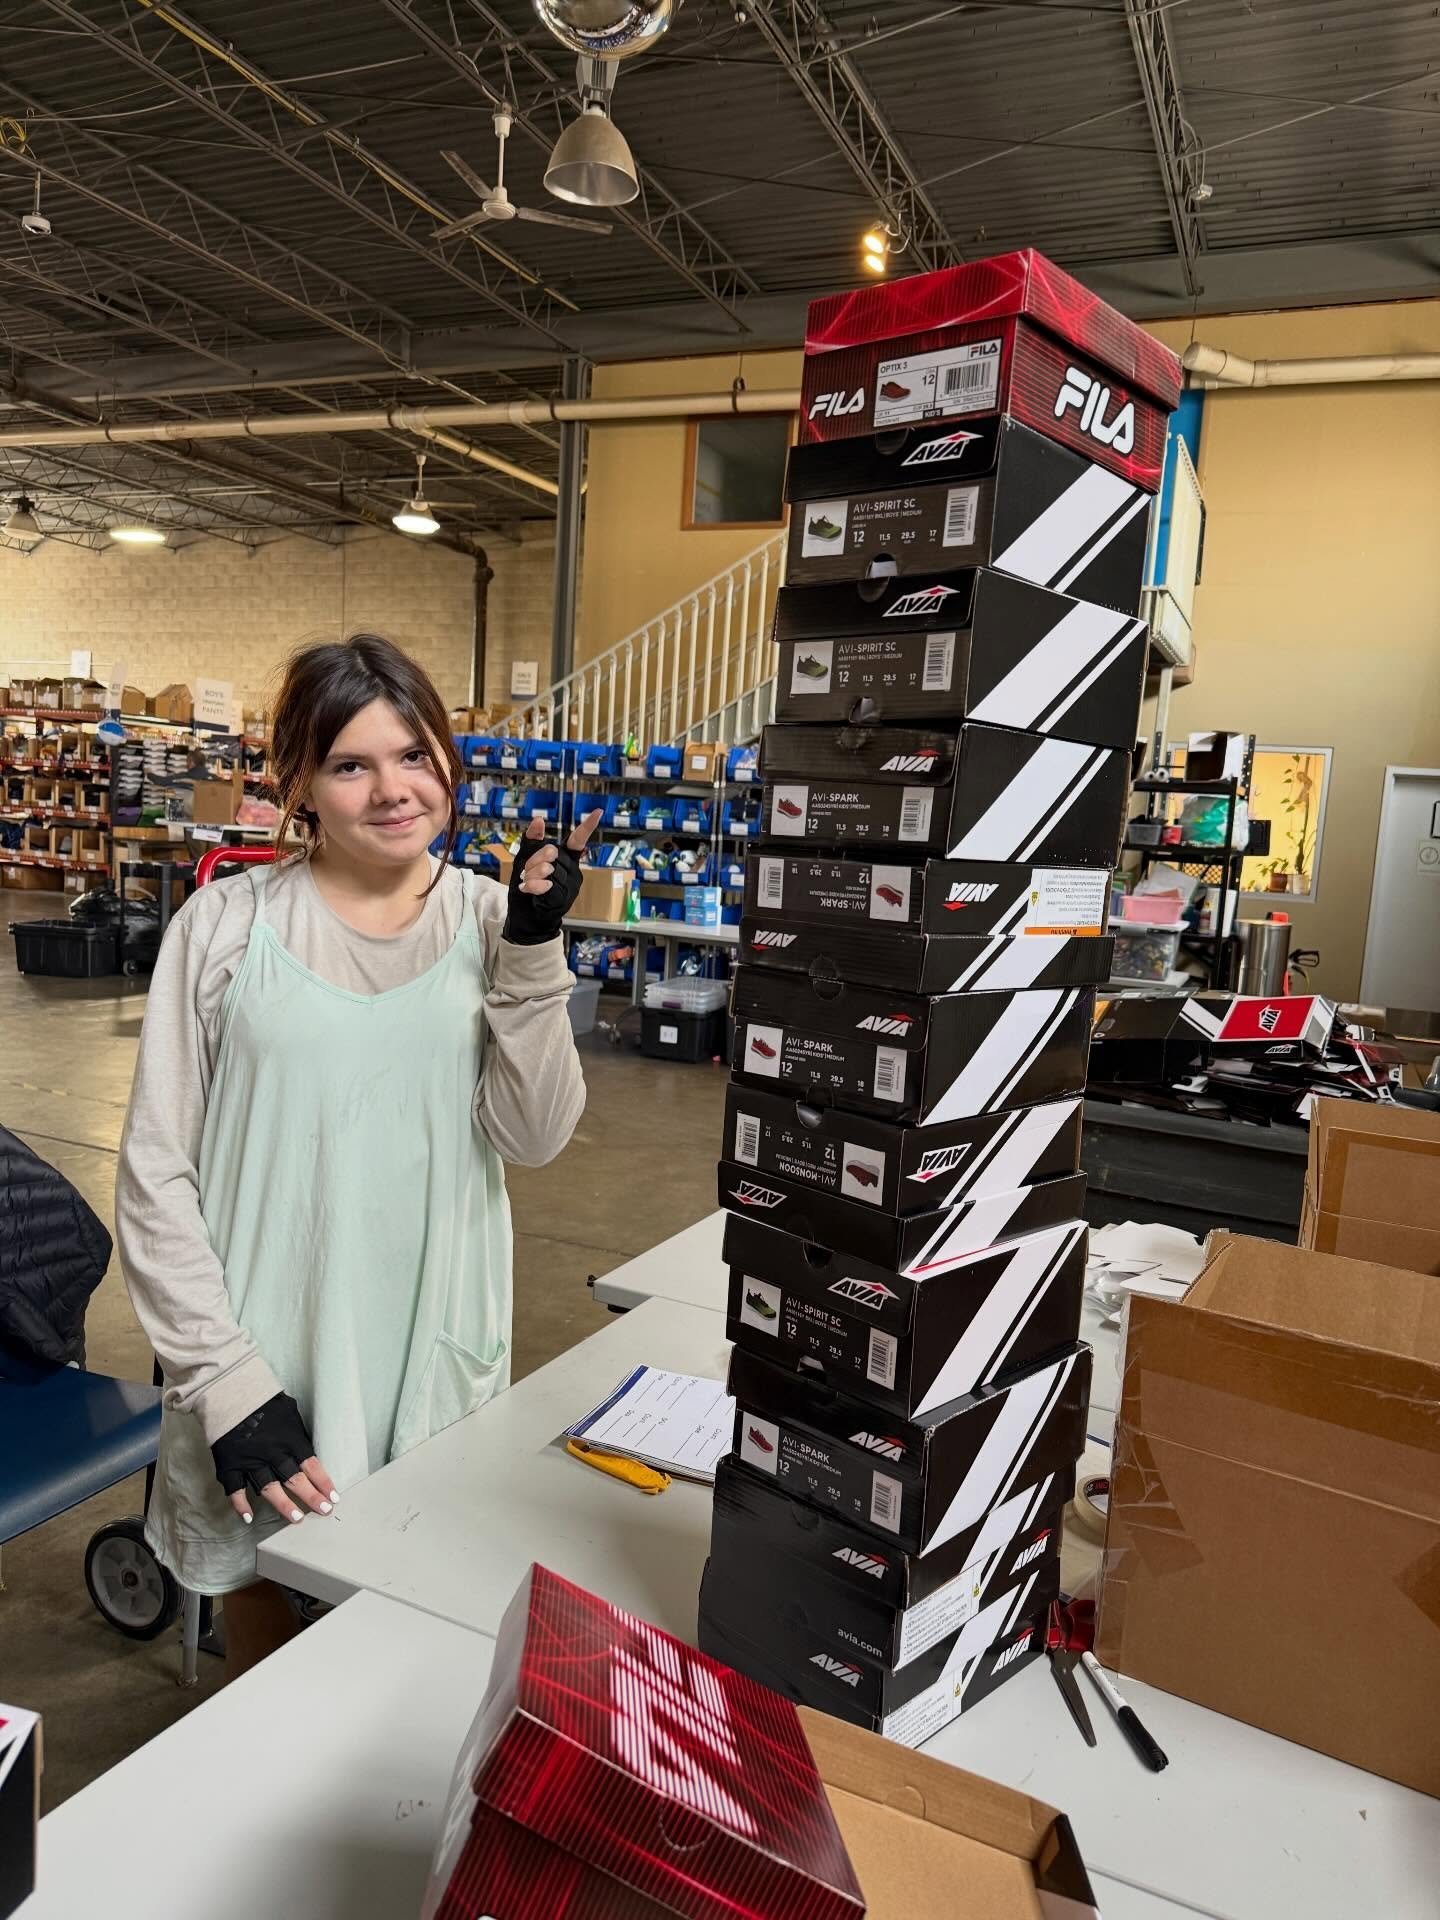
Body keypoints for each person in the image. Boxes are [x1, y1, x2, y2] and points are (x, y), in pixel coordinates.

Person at [115, 633, 599, 1678]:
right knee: (257, 1598)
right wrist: (225, 1380)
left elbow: (536, 1135)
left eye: (415, 755)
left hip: (430, 1335)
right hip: (257, 1346)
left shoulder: (485, 917)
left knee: (406, 1621)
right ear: (297, 782)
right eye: (351, 764)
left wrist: (532, 950)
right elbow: (155, 1172)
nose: (394, 790)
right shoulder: (225, 927)